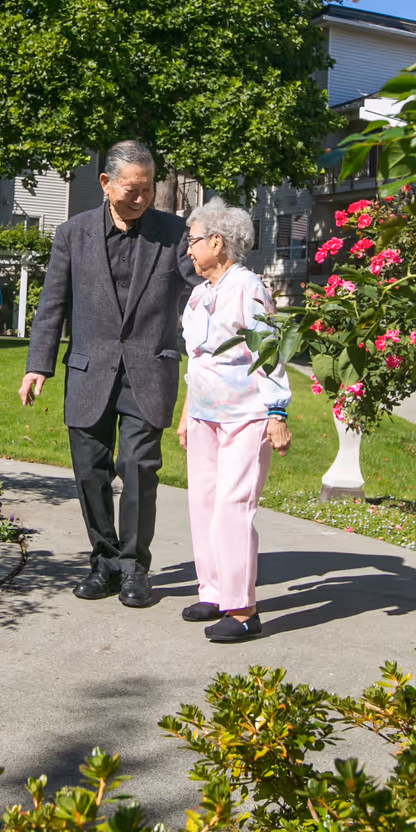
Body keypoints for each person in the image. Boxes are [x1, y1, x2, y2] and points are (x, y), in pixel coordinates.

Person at [20, 140, 196, 607]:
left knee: (138, 469)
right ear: (105, 184)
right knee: (90, 473)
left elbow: (203, 288)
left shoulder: (176, 233)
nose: (141, 198)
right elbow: (51, 304)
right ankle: (104, 560)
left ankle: (136, 567)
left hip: (149, 370)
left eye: (148, 189)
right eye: (132, 189)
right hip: (88, 371)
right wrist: (38, 365)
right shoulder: (71, 234)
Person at [175, 200, 290, 642]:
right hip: (205, 414)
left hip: (245, 415)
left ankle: (242, 610)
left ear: (217, 243)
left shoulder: (247, 287)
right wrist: (187, 412)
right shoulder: (200, 293)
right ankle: (215, 591)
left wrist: (277, 411)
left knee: (232, 507)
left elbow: (267, 350)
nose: (189, 250)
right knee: (202, 504)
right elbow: (197, 360)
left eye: (193, 241)